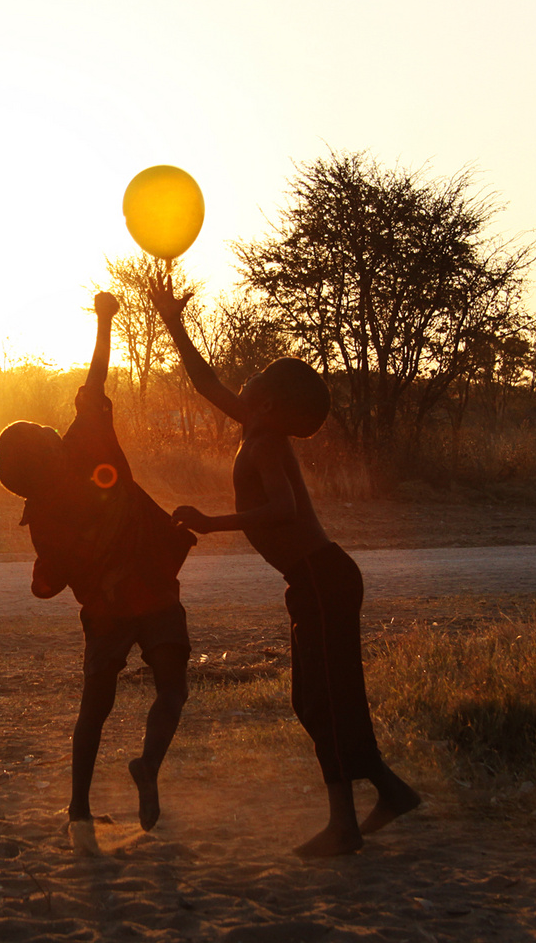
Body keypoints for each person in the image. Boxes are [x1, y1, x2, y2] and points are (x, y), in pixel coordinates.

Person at [148, 275, 419, 857]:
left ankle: (345, 825)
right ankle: (390, 792)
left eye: (255, 382)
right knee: (317, 697)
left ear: (266, 401)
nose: (241, 386)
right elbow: (205, 383)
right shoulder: (257, 428)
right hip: (316, 581)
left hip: (323, 579)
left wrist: (209, 522)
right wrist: (171, 323)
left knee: (325, 699)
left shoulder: (266, 443)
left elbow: (284, 509)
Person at [0, 291, 198, 856]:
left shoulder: (44, 511)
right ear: (47, 454)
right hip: (153, 590)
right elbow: (96, 376)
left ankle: (81, 809)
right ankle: (147, 766)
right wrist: (105, 322)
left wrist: (55, 570)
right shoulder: (85, 443)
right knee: (172, 688)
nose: (51, 433)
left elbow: (48, 582)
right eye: (43, 437)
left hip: (109, 612)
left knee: (95, 710)